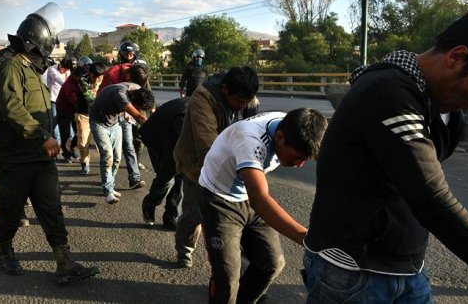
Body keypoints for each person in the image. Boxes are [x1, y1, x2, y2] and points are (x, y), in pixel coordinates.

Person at [302, 11, 468, 303]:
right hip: (352, 272)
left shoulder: (448, 104)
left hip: (408, 269)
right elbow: (430, 196)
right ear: (457, 57)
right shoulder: (388, 90)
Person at [0, 2, 99, 282]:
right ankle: (5, 249)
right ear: (38, 41)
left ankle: (64, 262)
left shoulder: (31, 69)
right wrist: (43, 136)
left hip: (39, 157)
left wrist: (47, 140)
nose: (52, 46)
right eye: (49, 41)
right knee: (11, 210)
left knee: (51, 208)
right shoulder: (11, 67)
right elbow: (12, 108)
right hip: (14, 158)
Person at [200, 108, 327, 303]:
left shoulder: (292, 125)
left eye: (304, 160)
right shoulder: (250, 139)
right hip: (219, 199)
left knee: (272, 263)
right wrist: (306, 238)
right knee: (226, 278)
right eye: (295, 157)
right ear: (279, 137)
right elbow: (259, 200)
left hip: (247, 194)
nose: (298, 165)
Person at [174, 67, 260, 268]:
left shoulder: (248, 99)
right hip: (197, 162)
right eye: (238, 102)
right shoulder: (202, 99)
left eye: (246, 102)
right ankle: (184, 249)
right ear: (224, 90)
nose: (242, 107)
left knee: (238, 213)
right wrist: (237, 172)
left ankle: (241, 261)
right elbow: (207, 145)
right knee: (194, 214)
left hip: (231, 159)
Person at [89, 82, 155, 204]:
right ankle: (107, 191)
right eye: (138, 106)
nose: (138, 109)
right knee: (107, 155)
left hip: (114, 122)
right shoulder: (121, 95)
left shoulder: (135, 90)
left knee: (117, 158)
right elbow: (139, 118)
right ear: (134, 99)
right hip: (98, 122)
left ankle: (110, 184)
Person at [139, 97, 189, 230]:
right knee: (168, 178)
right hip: (157, 139)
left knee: (181, 177)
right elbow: (182, 148)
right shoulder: (185, 115)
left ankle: (172, 217)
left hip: (174, 137)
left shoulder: (210, 110)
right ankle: (150, 203)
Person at [75, 61, 105, 175]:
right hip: (84, 113)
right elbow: (89, 98)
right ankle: (84, 163)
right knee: (83, 142)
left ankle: (106, 164)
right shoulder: (82, 80)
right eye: (95, 77)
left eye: (100, 77)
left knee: (103, 141)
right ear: (90, 73)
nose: (97, 79)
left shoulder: (103, 78)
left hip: (99, 113)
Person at [56, 65, 85, 163]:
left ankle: (71, 148)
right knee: (66, 134)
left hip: (76, 111)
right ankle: (66, 154)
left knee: (79, 133)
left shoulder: (80, 82)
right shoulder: (69, 85)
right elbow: (73, 100)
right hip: (64, 111)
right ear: (77, 76)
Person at [45, 57, 75, 147]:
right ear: (60, 65)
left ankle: (71, 141)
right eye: (64, 69)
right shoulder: (52, 70)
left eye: (67, 70)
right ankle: (58, 144)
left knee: (67, 120)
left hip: (64, 100)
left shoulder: (68, 71)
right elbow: (61, 81)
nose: (65, 71)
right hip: (53, 100)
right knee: (55, 122)